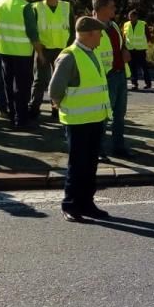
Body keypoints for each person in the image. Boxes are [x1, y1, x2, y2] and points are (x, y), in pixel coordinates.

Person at [49, 17, 112, 223]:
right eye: (99, 35)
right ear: (88, 34)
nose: (101, 39)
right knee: (77, 164)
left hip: (95, 118)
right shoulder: (69, 56)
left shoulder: (91, 53)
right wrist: (59, 103)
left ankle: (87, 203)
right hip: (77, 120)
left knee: (90, 163)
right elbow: (55, 89)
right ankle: (70, 205)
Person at [0, 0, 43, 130]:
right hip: (22, 53)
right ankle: (21, 120)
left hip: (4, 51)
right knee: (22, 88)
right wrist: (39, 52)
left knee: (8, 85)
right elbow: (32, 33)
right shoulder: (25, 6)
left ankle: (12, 116)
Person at [92, 0, 131, 160]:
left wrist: (125, 50)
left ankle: (119, 147)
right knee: (102, 116)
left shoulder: (114, 25)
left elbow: (122, 44)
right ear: (101, 9)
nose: (115, 9)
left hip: (121, 74)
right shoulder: (91, 29)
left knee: (119, 115)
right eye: (112, 6)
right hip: (105, 78)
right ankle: (98, 150)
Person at [30, 0, 72, 118]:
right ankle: (34, 108)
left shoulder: (66, 6)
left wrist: (70, 48)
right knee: (40, 80)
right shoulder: (36, 7)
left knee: (60, 81)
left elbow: (72, 29)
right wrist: (38, 49)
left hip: (62, 49)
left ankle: (57, 108)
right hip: (43, 49)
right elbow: (33, 30)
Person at [123, 8, 152, 90]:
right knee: (132, 67)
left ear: (136, 17)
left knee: (144, 67)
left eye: (132, 17)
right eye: (129, 17)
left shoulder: (143, 24)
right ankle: (134, 84)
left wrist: (146, 43)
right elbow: (124, 36)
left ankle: (148, 83)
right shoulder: (126, 24)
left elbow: (148, 36)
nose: (130, 18)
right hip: (130, 49)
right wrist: (124, 47)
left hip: (141, 49)